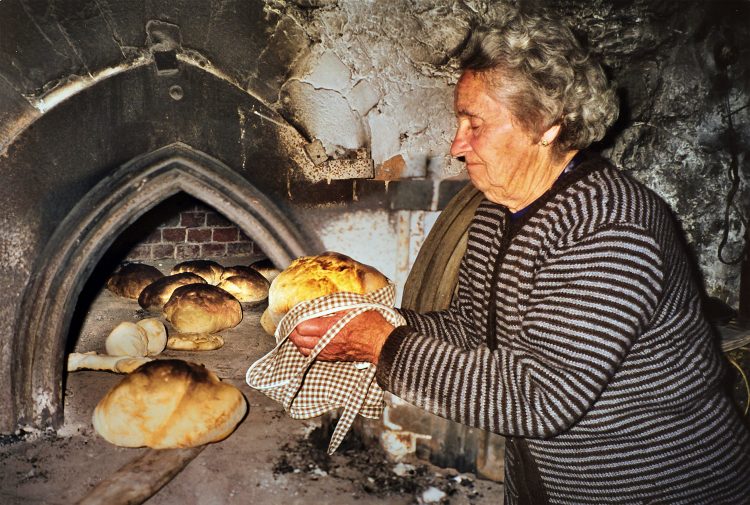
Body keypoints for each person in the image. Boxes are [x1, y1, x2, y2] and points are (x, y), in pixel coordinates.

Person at [289, 9, 750, 504]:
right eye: (458, 120)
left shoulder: (611, 228)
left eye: (475, 123)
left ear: (547, 127)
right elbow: (472, 328)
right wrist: (375, 320)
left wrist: (384, 346)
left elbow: (542, 397)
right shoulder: (498, 210)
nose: (456, 144)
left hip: (656, 484)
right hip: (548, 478)